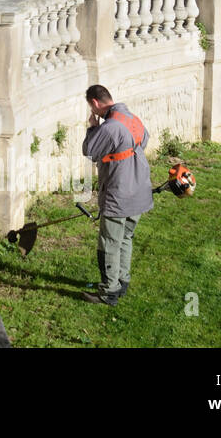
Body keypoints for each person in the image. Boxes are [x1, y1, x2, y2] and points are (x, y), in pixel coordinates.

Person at [80, 84, 153, 305]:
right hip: (139, 189)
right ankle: (122, 280)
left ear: (94, 103)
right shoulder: (131, 118)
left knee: (109, 242)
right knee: (126, 237)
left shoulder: (109, 127)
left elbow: (89, 150)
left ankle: (109, 291)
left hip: (118, 195)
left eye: (91, 108)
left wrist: (93, 127)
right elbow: (144, 140)